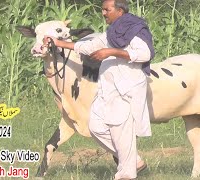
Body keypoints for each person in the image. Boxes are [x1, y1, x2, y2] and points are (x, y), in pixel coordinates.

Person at [44, 0, 154, 179]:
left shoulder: (134, 29)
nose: (103, 13)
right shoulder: (112, 31)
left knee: (121, 132)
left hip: (125, 89)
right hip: (108, 90)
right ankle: (133, 160)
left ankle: (126, 173)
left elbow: (145, 54)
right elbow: (89, 46)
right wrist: (59, 43)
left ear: (119, 10)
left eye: (106, 9)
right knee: (95, 127)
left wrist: (110, 52)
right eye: (102, 9)